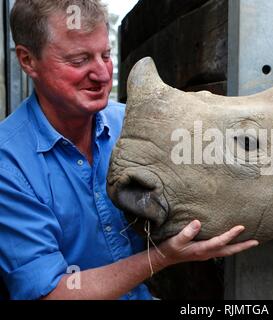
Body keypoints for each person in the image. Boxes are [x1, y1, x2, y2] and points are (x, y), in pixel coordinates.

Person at [0, 0, 258, 300]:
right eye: (79, 60)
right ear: (28, 61)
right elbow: (53, 293)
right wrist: (162, 257)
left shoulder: (131, 122)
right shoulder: (9, 165)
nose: (101, 73)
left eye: (105, 55)